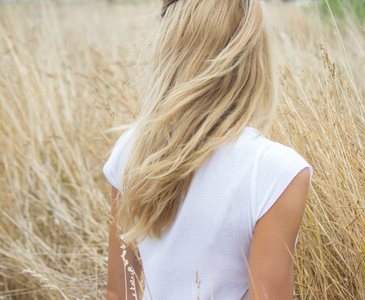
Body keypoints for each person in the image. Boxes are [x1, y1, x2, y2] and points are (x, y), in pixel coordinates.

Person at [103, 0, 312, 299]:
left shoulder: (131, 149)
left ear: (169, 49)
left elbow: (118, 292)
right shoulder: (277, 171)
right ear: (254, 57)